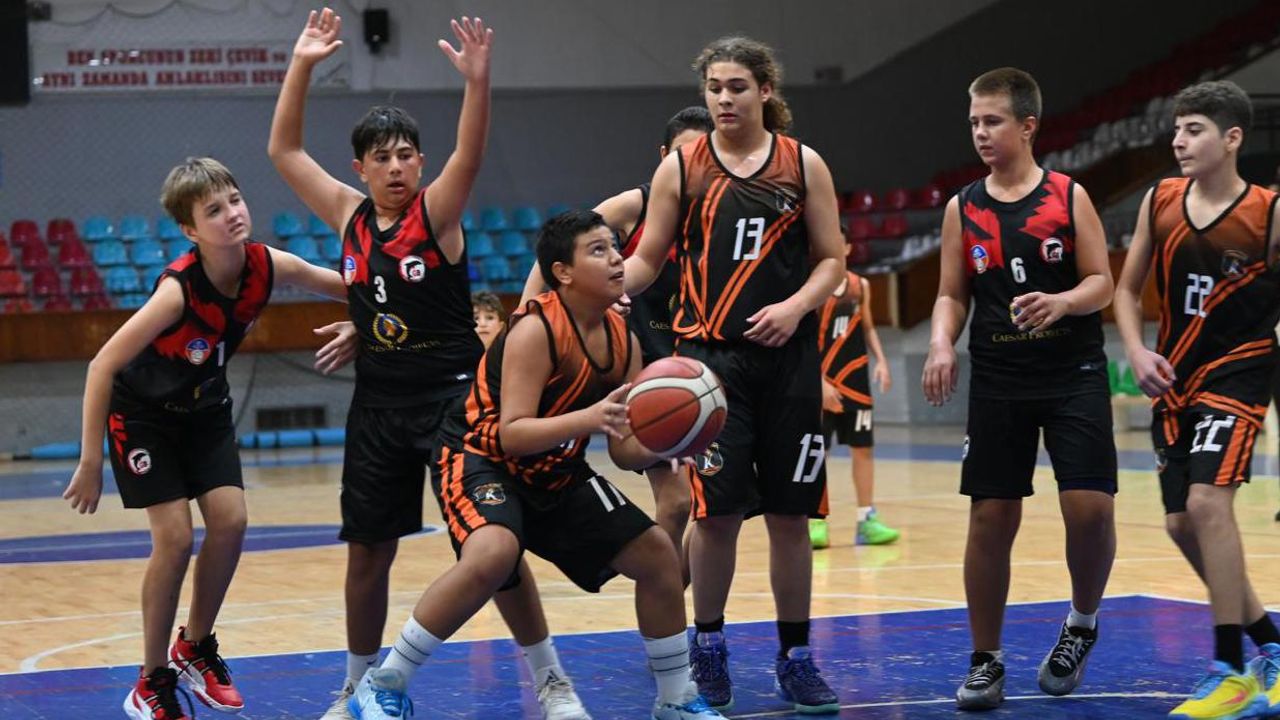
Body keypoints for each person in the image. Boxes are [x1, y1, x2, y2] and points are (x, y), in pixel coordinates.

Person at [267, 10, 588, 720]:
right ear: (360, 168)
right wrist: (303, 63)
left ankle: (552, 681)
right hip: (378, 407)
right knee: (366, 554)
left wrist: (477, 80)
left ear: (420, 162)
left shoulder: (438, 214)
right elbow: (284, 150)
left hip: (456, 405)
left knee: (494, 550)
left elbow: (470, 152)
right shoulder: (348, 215)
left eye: (405, 155)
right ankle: (357, 689)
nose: (394, 167)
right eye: (380, 158)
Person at [348, 210, 725, 720]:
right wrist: (590, 418)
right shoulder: (535, 329)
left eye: (615, 248)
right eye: (598, 250)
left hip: (554, 470)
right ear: (562, 272)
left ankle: (675, 698)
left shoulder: (625, 340)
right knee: (493, 553)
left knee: (658, 555)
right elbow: (513, 433)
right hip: (479, 457)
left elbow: (623, 448)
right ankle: (384, 682)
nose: (617, 259)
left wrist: (672, 442)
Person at [61, 157, 352, 720]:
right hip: (144, 417)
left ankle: (194, 645)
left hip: (205, 411)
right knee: (174, 540)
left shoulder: (269, 264)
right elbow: (102, 365)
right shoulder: (177, 292)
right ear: (190, 230)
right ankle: (151, 680)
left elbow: (356, 289)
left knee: (232, 521)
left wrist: (363, 322)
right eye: (214, 210)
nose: (232, 214)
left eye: (235, 200)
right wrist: (90, 460)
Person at [622, 36, 845, 715]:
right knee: (715, 517)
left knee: (790, 516)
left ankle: (796, 656)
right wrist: (600, 289)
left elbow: (832, 259)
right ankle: (710, 646)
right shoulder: (681, 168)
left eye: (737, 87)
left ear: (766, 91)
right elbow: (647, 260)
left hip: (789, 362)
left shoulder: (802, 164)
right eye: (714, 87)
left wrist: (796, 307)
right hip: (710, 367)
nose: (723, 98)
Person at [921, 67, 1118, 711]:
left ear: (1027, 126)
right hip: (999, 377)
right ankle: (986, 660)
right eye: (974, 122)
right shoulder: (963, 208)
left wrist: (1063, 302)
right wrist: (942, 342)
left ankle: (1081, 624)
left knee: (1090, 510)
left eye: (993, 120)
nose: (980, 132)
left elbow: (1102, 282)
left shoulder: (1067, 196)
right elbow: (951, 293)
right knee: (991, 516)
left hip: (1072, 373)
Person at [1113, 79, 1280, 720]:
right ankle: (1270, 645)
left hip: (1238, 375)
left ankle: (1229, 672)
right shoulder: (1161, 200)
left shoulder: (1267, 213)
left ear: (1231, 138)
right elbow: (1126, 291)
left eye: (1193, 130)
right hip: (1173, 378)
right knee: (1182, 524)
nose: (1178, 141)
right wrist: (1135, 351)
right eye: (1177, 130)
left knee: (1210, 503)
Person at [519, 105, 715, 577]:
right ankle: (665, 594)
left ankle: (674, 598)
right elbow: (560, 254)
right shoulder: (634, 206)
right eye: (682, 155)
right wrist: (526, 317)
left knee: (713, 509)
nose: (692, 166)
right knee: (677, 502)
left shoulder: (724, 213)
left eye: (703, 156)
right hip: (643, 369)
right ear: (664, 156)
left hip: (699, 365)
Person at [810, 238, 896, 549]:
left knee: (863, 449)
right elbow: (804, 339)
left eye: (840, 242)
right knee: (818, 451)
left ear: (847, 248)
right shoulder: (812, 288)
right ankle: (816, 520)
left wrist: (882, 360)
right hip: (822, 381)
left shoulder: (861, 286)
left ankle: (866, 520)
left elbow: (868, 326)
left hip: (856, 381)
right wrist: (818, 382)